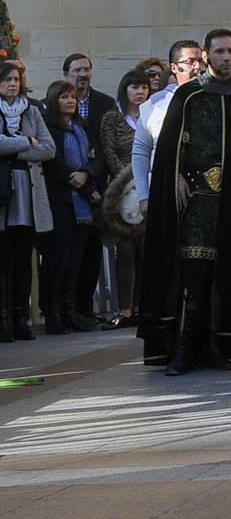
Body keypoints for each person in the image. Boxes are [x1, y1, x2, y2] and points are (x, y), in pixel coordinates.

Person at [138, 29, 231, 376]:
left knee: (225, 274)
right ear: (207, 55)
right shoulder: (190, 95)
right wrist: (176, 176)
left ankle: (216, 344)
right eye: (219, 52)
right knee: (193, 273)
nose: (226, 57)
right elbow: (169, 148)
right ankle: (183, 346)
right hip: (197, 198)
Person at [41, 80, 103, 334]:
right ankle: (54, 314)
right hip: (61, 200)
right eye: (64, 97)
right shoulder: (51, 128)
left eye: (73, 98)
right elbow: (52, 162)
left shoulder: (80, 128)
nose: (70, 101)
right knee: (59, 259)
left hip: (81, 204)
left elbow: (96, 157)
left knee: (76, 260)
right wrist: (82, 184)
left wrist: (87, 175)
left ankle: (70, 311)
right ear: (54, 100)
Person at [0, 61, 55, 342]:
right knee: (2, 260)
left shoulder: (32, 110)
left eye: (16, 79)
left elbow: (48, 149)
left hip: (27, 192)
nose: (12, 84)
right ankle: (2, 319)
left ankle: (21, 318)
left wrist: (13, 150)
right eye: (7, 79)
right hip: (2, 194)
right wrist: (25, 142)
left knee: (23, 259)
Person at [64, 53, 115, 324]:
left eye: (86, 69)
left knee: (93, 250)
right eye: (76, 70)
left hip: (98, 186)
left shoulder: (105, 104)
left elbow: (105, 148)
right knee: (71, 252)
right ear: (66, 75)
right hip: (69, 189)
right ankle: (66, 310)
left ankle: (86, 308)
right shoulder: (57, 101)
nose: (82, 74)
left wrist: (91, 175)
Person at [99, 68, 151, 329]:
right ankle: (126, 309)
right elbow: (109, 152)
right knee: (126, 250)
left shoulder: (154, 114)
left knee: (147, 249)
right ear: (125, 90)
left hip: (151, 188)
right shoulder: (112, 118)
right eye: (134, 87)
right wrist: (129, 179)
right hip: (122, 192)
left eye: (143, 87)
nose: (140, 91)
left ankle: (146, 306)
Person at [131, 40, 205, 215]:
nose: (197, 67)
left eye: (200, 61)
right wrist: (143, 196)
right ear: (174, 67)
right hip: (165, 187)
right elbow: (141, 150)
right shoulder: (155, 104)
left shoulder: (214, 98)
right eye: (190, 62)